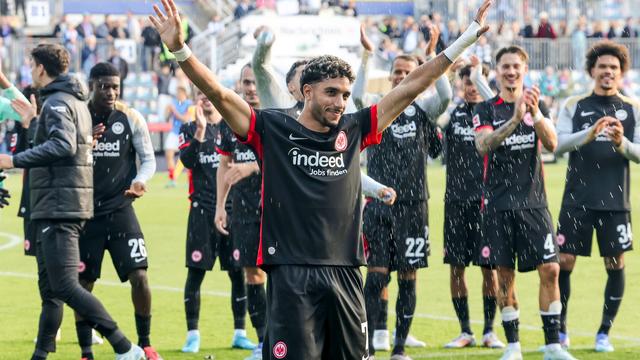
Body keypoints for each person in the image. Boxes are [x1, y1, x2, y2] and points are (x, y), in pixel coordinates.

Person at [148, 0, 491, 358]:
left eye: (345, 94)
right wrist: (179, 49)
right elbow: (219, 94)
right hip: (291, 275)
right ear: (306, 91)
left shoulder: (355, 128)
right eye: (332, 93)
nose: (341, 102)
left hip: (344, 271)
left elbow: (410, 88)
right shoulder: (272, 128)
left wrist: (464, 39)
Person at [0, 44, 144, 360]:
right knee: (51, 293)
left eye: (31, 65)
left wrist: (11, 161)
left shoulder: (57, 103)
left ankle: (125, 347)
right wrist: (31, 124)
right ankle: (39, 355)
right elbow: (64, 144)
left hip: (59, 206)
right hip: (54, 204)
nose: (30, 71)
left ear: (40, 68)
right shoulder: (74, 102)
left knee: (65, 287)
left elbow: (63, 146)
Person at [473, 45, 576, 360]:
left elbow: (553, 143)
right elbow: (483, 145)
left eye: (516, 66)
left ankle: (553, 346)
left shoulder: (537, 104)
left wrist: (535, 114)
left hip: (534, 205)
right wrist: (515, 120)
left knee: (551, 270)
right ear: (498, 70)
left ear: (524, 69)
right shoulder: (486, 109)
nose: (511, 72)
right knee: (504, 275)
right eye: (505, 66)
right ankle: (514, 345)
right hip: (499, 205)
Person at [353, 24, 448, 358]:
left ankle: (398, 348)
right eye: (397, 72)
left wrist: (433, 56)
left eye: (409, 72)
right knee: (376, 276)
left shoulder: (423, 112)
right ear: (391, 77)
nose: (402, 76)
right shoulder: (378, 112)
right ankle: (366, 345)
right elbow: (358, 97)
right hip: (379, 203)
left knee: (409, 275)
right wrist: (366, 55)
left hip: (414, 205)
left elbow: (447, 97)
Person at [554, 40, 640, 353]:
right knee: (564, 262)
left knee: (615, 263)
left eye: (614, 68)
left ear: (621, 73)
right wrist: (588, 134)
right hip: (576, 198)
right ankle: (561, 331)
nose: (608, 72)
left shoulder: (633, 108)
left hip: (615, 201)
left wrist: (622, 143)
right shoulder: (574, 105)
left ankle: (604, 332)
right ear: (592, 70)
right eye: (602, 67)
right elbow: (557, 144)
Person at [73, 62, 159, 360]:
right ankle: (86, 351)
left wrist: (139, 181)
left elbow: (148, 160)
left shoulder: (130, 117)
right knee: (83, 283)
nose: (110, 92)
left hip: (121, 209)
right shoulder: (78, 115)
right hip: (85, 213)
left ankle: (145, 343)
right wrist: (86, 143)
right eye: (104, 86)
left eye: (115, 87)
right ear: (91, 85)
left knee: (140, 276)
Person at [179, 90, 255, 353]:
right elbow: (187, 162)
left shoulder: (231, 128)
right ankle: (193, 335)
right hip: (201, 211)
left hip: (233, 211)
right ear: (195, 99)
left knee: (238, 273)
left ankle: (239, 333)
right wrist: (200, 131)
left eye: (208, 93)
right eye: (200, 94)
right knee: (196, 272)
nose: (206, 98)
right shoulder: (189, 128)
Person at [440, 59, 504, 350]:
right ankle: (465, 330)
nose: (471, 87)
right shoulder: (451, 115)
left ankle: (490, 331)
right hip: (455, 202)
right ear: (460, 85)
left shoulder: (493, 114)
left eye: (476, 81)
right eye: (466, 82)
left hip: (486, 203)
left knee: (489, 268)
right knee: (456, 268)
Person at [214, 63, 266, 360]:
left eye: (256, 81)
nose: (251, 88)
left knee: (285, 274)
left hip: (278, 209)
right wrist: (221, 206)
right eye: (247, 82)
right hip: (244, 211)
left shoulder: (278, 116)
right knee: (252, 274)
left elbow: (290, 160)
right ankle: (264, 342)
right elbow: (224, 166)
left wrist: (254, 166)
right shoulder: (229, 121)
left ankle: (290, 338)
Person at [164, 84, 192, 187]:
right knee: (168, 153)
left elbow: (185, 118)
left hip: (185, 133)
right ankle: (172, 179)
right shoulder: (174, 103)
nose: (178, 94)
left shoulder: (189, 104)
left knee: (188, 157)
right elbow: (166, 118)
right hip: (174, 131)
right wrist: (167, 111)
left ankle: (190, 180)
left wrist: (174, 111)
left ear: (184, 93)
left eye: (180, 92)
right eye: (177, 93)